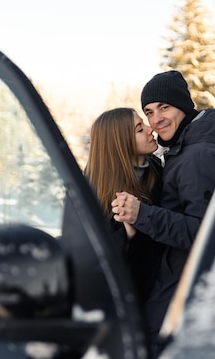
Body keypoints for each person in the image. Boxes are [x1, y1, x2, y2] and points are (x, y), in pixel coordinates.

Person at [111, 70, 215, 349]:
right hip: (179, 281)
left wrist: (141, 214)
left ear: (182, 105)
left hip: (187, 290)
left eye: (164, 107)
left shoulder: (199, 155)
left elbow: (207, 235)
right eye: (149, 112)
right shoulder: (184, 149)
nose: (156, 120)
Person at [85, 107, 165, 317]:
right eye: (140, 129)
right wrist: (127, 234)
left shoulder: (155, 170)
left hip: (158, 298)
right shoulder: (93, 192)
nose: (151, 129)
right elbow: (90, 258)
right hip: (123, 311)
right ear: (120, 143)